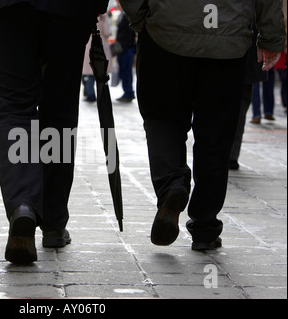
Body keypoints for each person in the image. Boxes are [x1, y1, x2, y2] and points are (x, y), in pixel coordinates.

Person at [119, 0, 286, 250]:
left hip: (166, 29)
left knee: (163, 118)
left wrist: (140, 17)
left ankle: (172, 183)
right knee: (216, 132)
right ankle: (205, 226)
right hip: (228, 35)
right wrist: (271, 37)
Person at [0, 0, 109, 264]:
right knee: (60, 109)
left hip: (1, 8)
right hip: (67, 10)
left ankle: (22, 204)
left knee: (14, 106)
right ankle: (53, 221)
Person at [230, 25, 268, 170]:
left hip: (227, 56)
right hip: (248, 56)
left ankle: (226, 153)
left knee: (223, 107)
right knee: (240, 108)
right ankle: (232, 154)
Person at [82, 13, 112, 103]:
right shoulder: (103, 16)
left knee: (90, 73)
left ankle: (90, 94)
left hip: (88, 43)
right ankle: (103, 95)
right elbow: (107, 32)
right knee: (101, 72)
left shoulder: (87, 13)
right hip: (101, 43)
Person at [115, 4, 137, 103]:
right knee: (124, 71)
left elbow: (131, 31)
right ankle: (127, 91)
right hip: (123, 47)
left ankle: (128, 92)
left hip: (127, 47)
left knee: (127, 71)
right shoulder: (121, 15)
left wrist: (127, 44)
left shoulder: (128, 15)